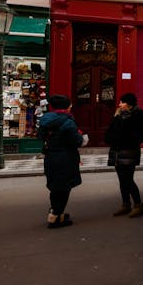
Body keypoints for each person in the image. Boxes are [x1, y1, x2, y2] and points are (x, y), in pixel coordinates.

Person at [38, 94, 86, 229]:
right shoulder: (68, 121)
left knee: (55, 186)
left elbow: (40, 136)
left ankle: (56, 212)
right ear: (67, 107)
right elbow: (76, 141)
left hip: (51, 156)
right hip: (66, 157)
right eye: (70, 105)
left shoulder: (45, 119)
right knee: (64, 188)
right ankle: (55, 218)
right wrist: (80, 136)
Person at [105, 93, 143, 218]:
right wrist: (110, 137)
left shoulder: (139, 115)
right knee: (122, 179)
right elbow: (111, 130)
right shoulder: (118, 115)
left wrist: (133, 140)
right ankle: (125, 204)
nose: (119, 104)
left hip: (129, 151)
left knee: (127, 178)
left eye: (122, 102)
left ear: (129, 104)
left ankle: (138, 205)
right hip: (116, 151)